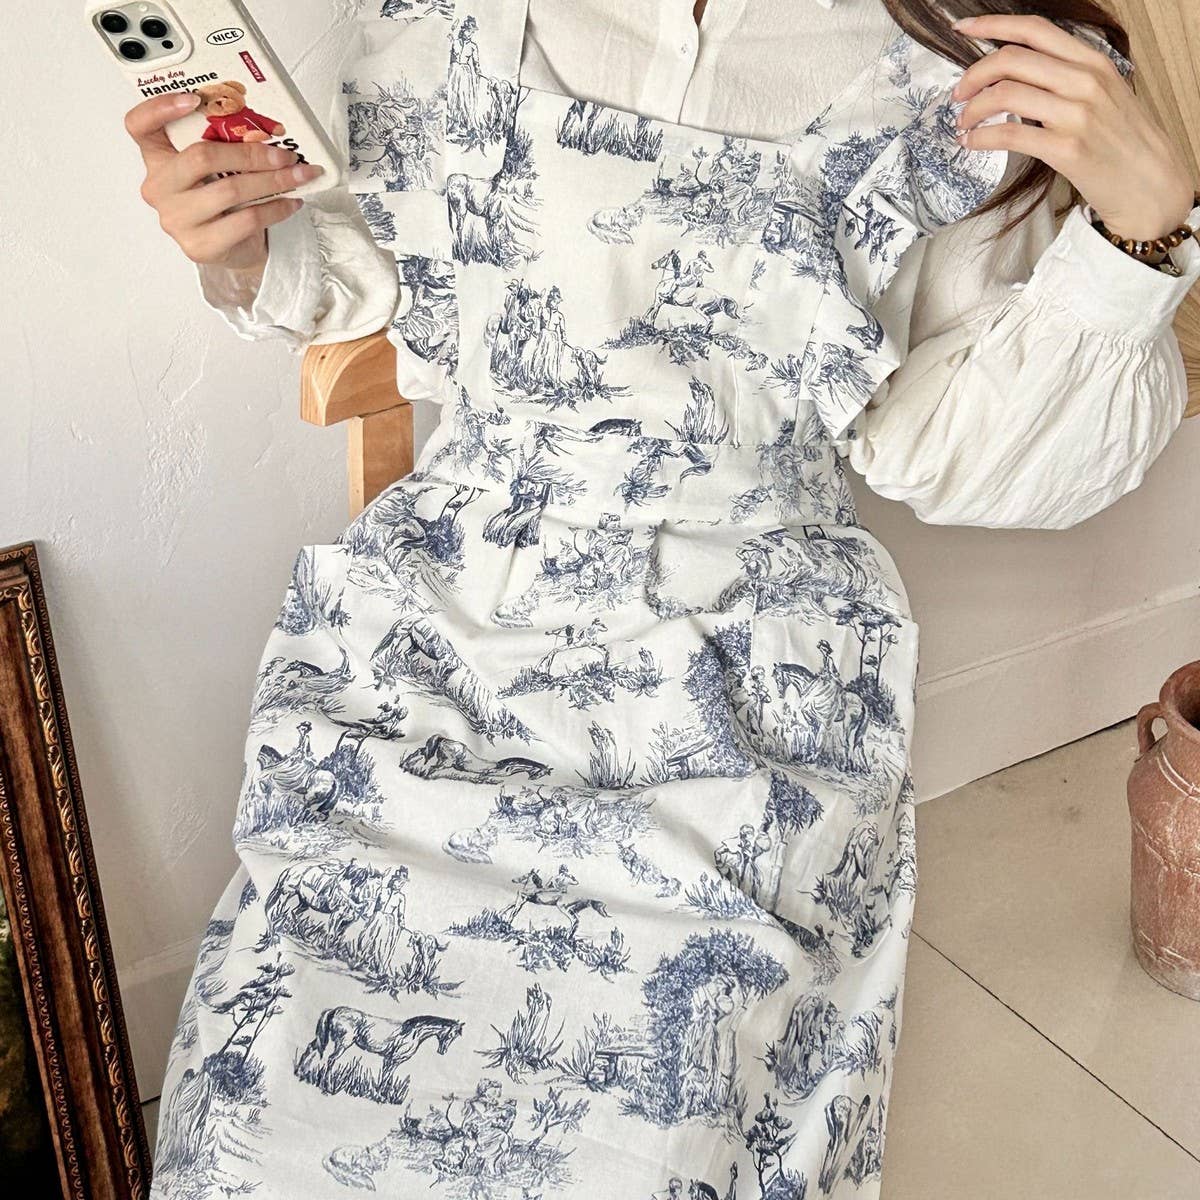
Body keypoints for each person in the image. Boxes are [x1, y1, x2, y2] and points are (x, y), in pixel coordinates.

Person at [125, 2, 1199, 1197]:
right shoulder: (440, 13)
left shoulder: (971, 55)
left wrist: (1138, 239)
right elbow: (373, 269)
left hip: (750, 668)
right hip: (439, 629)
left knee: (656, 1140)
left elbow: (964, 455)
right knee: (259, 1122)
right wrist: (234, 241)